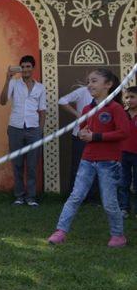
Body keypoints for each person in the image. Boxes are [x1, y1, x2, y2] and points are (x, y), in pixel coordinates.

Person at [48, 69, 128, 248]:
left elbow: (124, 132)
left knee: (109, 202)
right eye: (88, 81)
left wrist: (96, 137)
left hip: (108, 162)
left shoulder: (116, 109)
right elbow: (83, 128)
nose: (89, 84)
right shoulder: (87, 109)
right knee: (75, 197)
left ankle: (118, 236)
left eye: (94, 81)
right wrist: (83, 133)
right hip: (88, 160)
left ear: (108, 85)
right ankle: (60, 232)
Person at [0, 55, 47, 207]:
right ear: (20, 69)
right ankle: (19, 196)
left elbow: (42, 110)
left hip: (33, 129)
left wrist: (40, 130)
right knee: (17, 163)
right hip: (15, 128)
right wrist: (7, 79)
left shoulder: (40, 87)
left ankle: (31, 197)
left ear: (33, 68)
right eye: (23, 67)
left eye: (28, 67)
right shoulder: (14, 83)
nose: (26, 70)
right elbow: (2, 101)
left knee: (32, 165)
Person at [59, 83, 97, 200]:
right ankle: (75, 196)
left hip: (97, 136)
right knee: (78, 166)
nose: (93, 83)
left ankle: (93, 197)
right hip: (79, 135)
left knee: (96, 166)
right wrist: (77, 114)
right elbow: (62, 100)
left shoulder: (105, 93)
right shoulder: (82, 91)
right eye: (91, 80)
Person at [118, 86, 137, 218]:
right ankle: (124, 208)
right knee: (123, 182)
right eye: (127, 97)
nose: (129, 100)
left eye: (132, 97)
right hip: (122, 153)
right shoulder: (121, 114)